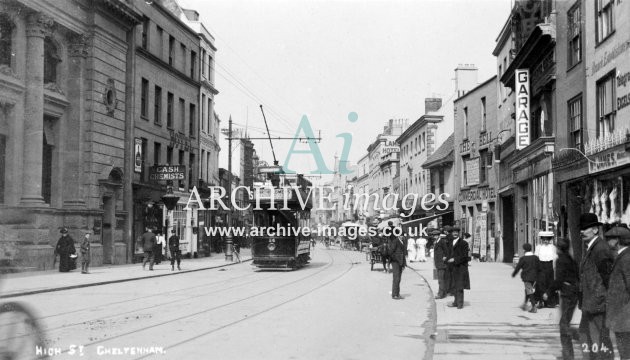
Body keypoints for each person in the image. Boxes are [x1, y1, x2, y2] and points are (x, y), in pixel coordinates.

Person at [578, 213, 614, 360]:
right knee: (587, 337)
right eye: (581, 228)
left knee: (599, 340)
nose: (581, 231)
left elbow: (609, 278)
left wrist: (604, 300)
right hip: (591, 303)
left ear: (595, 230)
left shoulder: (600, 249)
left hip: (598, 304)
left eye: (585, 228)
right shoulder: (592, 247)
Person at [543, 238, 579, 360]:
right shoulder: (571, 259)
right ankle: (568, 352)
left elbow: (559, 279)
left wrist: (548, 291)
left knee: (564, 325)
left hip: (567, 293)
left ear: (558, 248)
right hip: (573, 292)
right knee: (565, 323)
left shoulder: (561, 260)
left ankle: (569, 354)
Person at [604, 225, 630, 360]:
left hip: (625, 313)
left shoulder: (626, 258)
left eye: (609, 239)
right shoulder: (623, 256)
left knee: (625, 351)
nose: (607, 242)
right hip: (622, 313)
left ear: (617, 241)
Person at [446, 227, 470, 309]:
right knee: (454, 286)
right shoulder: (450, 242)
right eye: (453, 232)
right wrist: (446, 258)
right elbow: (449, 254)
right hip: (452, 268)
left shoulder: (464, 243)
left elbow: (465, 257)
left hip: (460, 268)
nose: (455, 234)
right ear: (451, 233)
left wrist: (454, 259)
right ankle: (455, 302)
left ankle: (460, 304)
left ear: (459, 233)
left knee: (459, 286)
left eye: (456, 232)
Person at [512, 243, 540, 313]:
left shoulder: (523, 259)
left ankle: (534, 306)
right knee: (527, 290)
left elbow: (518, 267)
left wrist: (514, 274)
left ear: (524, 250)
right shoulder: (535, 258)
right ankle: (525, 304)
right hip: (535, 277)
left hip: (527, 277)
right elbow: (539, 267)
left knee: (529, 290)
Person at [535, 231, 558, 308]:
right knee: (541, 283)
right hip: (541, 265)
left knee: (550, 283)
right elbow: (536, 257)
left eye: (547, 239)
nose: (545, 241)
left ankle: (550, 302)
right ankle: (541, 301)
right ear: (542, 239)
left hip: (549, 266)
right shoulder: (538, 247)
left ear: (550, 239)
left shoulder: (553, 247)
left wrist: (555, 268)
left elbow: (555, 258)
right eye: (544, 239)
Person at [387, 222, 406, 300]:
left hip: (401, 262)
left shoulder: (402, 242)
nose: (403, 237)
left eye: (403, 236)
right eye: (402, 235)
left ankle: (397, 294)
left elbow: (403, 253)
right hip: (395, 262)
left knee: (399, 278)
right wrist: (395, 259)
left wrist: (404, 264)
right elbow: (391, 252)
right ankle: (394, 295)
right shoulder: (395, 241)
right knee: (396, 278)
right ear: (399, 235)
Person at [433, 233, 449, 299]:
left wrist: (445, 257)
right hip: (438, 262)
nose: (435, 236)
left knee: (440, 279)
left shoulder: (442, 241)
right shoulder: (436, 242)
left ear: (439, 235)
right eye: (434, 235)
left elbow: (446, 251)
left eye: (436, 235)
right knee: (440, 279)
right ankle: (443, 292)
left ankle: (441, 294)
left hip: (441, 263)